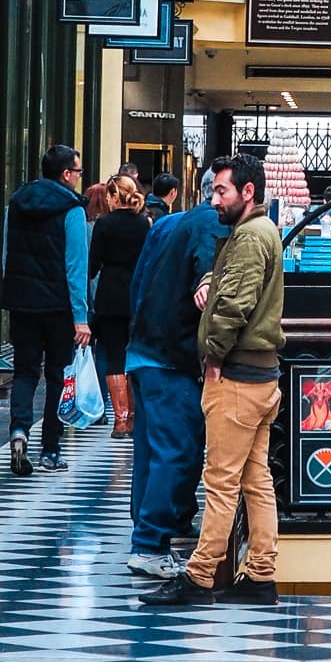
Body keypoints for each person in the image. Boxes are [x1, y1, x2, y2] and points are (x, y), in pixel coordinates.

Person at [143, 154, 282, 607]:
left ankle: (201, 576)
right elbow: (236, 293)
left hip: (237, 378)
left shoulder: (247, 237)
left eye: (222, 191)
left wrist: (213, 356)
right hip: (263, 376)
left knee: (220, 481)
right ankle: (260, 573)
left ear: (248, 192)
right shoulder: (262, 232)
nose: (213, 199)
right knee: (255, 480)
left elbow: (234, 306)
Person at [123, 183, 223, 579]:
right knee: (176, 449)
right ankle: (149, 543)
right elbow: (206, 273)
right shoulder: (211, 225)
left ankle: (155, 528)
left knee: (151, 449)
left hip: (146, 348)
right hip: (171, 355)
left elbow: (139, 280)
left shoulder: (167, 224)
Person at [0, 143, 89, 477]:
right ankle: (50, 448)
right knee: (56, 375)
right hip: (57, 306)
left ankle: (19, 430)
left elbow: (8, 254)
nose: (80, 178)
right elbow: (76, 267)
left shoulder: (18, 202)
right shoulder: (72, 209)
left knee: (24, 372)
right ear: (66, 174)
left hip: (23, 302)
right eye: (78, 172)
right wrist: (81, 317)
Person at [90, 171, 149, 435]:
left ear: (114, 195)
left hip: (111, 293)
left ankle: (120, 418)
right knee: (135, 354)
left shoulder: (104, 223)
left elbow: (93, 264)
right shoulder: (145, 223)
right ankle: (135, 416)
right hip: (137, 294)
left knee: (114, 355)